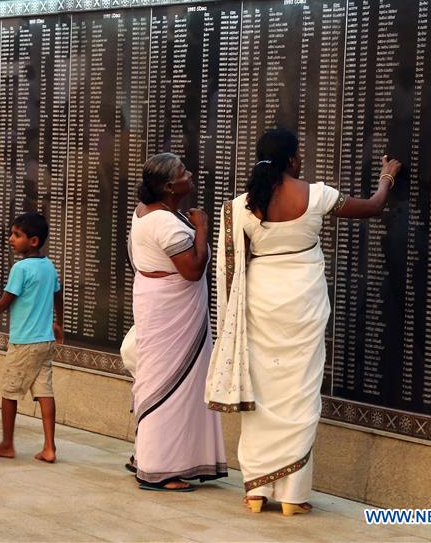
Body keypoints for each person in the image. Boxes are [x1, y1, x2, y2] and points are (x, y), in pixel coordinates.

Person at [205, 128, 402, 516]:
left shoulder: (241, 206)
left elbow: (233, 270)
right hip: (303, 302)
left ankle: (257, 489)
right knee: (299, 390)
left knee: (262, 391)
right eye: (300, 155)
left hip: (261, 304)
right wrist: (387, 177)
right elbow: (373, 206)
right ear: (292, 159)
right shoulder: (316, 195)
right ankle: (293, 495)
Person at [127, 152, 227, 492]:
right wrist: (202, 229)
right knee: (169, 384)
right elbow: (192, 269)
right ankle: (160, 469)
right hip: (171, 311)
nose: (191, 173)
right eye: (184, 171)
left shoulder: (145, 213)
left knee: (164, 380)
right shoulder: (166, 222)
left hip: (160, 305)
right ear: (171, 186)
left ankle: (148, 455)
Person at [0, 212, 64, 463]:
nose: (10, 239)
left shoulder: (20, 268)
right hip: (45, 342)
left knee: (9, 393)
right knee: (45, 392)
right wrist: (58, 323)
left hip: (23, 343)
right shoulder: (49, 265)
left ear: (33, 241)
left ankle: (7, 444)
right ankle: (49, 447)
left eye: (16, 235)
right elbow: (58, 295)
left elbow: (5, 302)